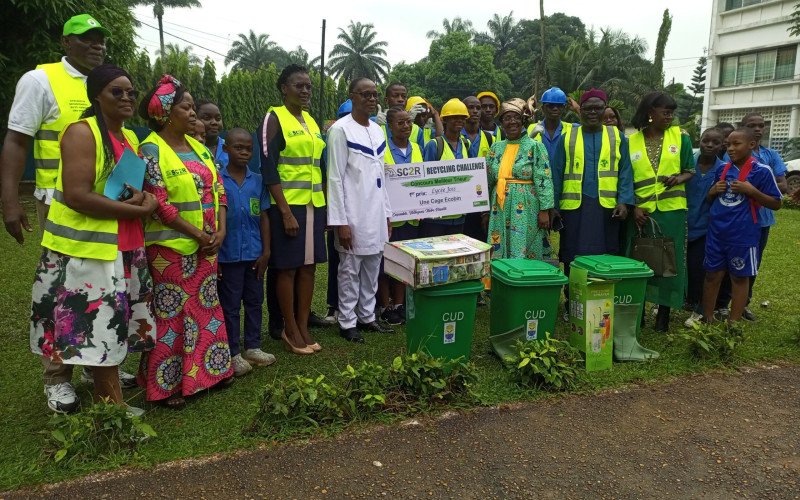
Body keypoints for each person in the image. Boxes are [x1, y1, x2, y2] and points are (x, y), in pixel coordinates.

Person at [31, 64, 157, 415]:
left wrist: (144, 200)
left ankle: (101, 381)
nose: (127, 97)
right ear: (97, 96)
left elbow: (128, 188)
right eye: (117, 91)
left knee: (111, 321)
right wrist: (135, 209)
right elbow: (77, 195)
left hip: (123, 243)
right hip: (85, 247)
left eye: (131, 92)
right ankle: (104, 402)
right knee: (90, 320)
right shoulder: (82, 132)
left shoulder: (129, 137)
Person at [138, 75, 233, 407]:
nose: (193, 113)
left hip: (207, 247)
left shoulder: (199, 147)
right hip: (170, 250)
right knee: (172, 315)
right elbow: (159, 203)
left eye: (193, 106)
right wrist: (199, 234)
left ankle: (210, 373)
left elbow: (218, 190)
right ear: (165, 113)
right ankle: (167, 386)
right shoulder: (151, 149)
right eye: (186, 107)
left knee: (206, 308)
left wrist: (220, 231)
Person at [1, 14, 110, 245]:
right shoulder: (40, 80)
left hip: (108, 198)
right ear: (66, 42)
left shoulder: (109, 85)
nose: (97, 46)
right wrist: (9, 202)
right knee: (63, 267)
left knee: (106, 265)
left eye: (101, 41)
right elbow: (16, 141)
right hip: (59, 200)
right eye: (87, 39)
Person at [257, 64, 326, 355]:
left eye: (308, 86)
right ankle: (289, 327)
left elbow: (318, 166)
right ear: (284, 88)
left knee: (308, 267)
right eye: (299, 85)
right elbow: (268, 166)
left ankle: (303, 325)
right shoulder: (274, 117)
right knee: (287, 268)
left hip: (314, 204)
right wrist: (284, 211)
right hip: (287, 206)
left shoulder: (311, 121)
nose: (305, 90)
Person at [327, 77, 393, 343]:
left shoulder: (378, 131)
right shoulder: (340, 130)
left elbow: (381, 176)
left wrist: (387, 213)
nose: (372, 99)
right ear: (352, 96)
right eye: (366, 94)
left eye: (375, 94)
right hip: (353, 214)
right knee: (350, 270)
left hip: (376, 212)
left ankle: (367, 316)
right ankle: (347, 321)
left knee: (373, 266)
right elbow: (334, 178)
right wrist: (340, 221)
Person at [626, 91, 695, 332]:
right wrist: (634, 206)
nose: (669, 117)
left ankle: (663, 316)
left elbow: (690, 170)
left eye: (671, 113)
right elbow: (626, 178)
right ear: (650, 113)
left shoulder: (681, 137)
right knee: (640, 261)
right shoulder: (631, 141)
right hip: (641, 212)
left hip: (671, 211)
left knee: (668, 262)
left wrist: (678, 178)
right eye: (665, 112)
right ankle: (638, 314)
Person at [702, 127, 781, 323]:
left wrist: (752, 191)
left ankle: (733, 323)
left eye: (736, 144)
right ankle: (707, 318)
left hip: (743, 234)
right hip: (717, 232)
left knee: (739, 277)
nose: (730, 148)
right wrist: (713, 191)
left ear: (751, 145)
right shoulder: (722, 169)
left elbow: (776, 203)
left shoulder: (761, 170)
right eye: (728, 144)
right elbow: (710, 199)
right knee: (712, 275)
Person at [552, 89, 633, 277]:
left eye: (598, 108)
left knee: (607, 253)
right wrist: (553, 206)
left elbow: (626, 171)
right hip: (574, 209)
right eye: (588, 109)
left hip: (608, 208)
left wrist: (624, 201)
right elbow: (556, 173)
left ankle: (603, 289)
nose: (592, 112)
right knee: (573, 253)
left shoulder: (617, 137)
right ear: (580, 111)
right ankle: (573, 290)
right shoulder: (567, 137)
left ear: (605, 109)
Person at [217, 128, 275, 376]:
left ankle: (253, 346)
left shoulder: (258, 181)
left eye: (248, 149)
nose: (244, 153)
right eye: (238, 148)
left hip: (254, 254)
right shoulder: (217, 180)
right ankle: (232, 352)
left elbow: (264, 216)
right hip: (228, 255)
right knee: (230, 305)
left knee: (254, 301)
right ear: (226, 149)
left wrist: (266, 251)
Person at [484, 99, 554, 259]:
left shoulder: (535, 146)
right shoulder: (496, 148)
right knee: (499, 244)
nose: (512, 122)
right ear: (501, 122)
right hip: (498, 207)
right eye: (507, 118)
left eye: (516, 117)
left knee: (522, 245)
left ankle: (522, 273)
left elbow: (544, 179)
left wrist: (545, 210)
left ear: (522, 120)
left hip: (526, 206)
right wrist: (484, 210)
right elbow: (487, 179)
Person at [736, 112, 788, 320]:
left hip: (762, 219)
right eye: (752, 125)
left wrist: (753, 188)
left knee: (753, 262)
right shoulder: (734, 152)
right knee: (730, 260)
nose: (758, 129)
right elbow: (732, 182)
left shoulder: (771, 155)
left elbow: (783, 186)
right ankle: (724, 303)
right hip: (737, 218)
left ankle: (743, 304)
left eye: (761, 125)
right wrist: (766, 184)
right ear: (742, 127)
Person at [378, 107, 423, 325]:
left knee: (404, 263)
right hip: (389, 219)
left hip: (412, 218)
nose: (406, 126)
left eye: (408, 122)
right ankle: (384, 306)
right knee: (386, 263)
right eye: (400, 123)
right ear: (390, 126)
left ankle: (399, 304)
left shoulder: (417, 148)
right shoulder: (382, 149)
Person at [685, 128, 731, 328]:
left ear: (722, 146)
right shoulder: (686, 163)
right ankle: (672, 302)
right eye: (706, 141)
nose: (710, 145)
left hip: (706, 229)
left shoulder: (725, 169)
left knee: (700, 270)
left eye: (715, 142)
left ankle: (700, 309)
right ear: (700, 141)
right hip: (682, 224)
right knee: (677, 268)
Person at [420, 98, 472, 237]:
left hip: (459, 216)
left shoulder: (466, 144)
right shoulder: (434, 145)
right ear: (445, 120)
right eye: (454, 117)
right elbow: (426, 181)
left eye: (462, 118)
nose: (459, 121)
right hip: (436, 218)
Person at [461, 95, 494, 243]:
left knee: (482, 242)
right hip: (461, 200)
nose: (475, 111)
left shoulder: (490, 139)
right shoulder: (455, 137)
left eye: (478, 108)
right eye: (471, 108)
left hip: (483, 201)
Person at [528, 87, 576, 162]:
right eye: (550, 105)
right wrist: (530, 136)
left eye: (559, 105)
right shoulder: (531, 128)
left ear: (563, 108)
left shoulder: (572, 129)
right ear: (543, 108)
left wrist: (577, 109)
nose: (555, 108)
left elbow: (592, 128)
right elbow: (522, 153)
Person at [197, 101, 226, 166]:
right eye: (207, 118)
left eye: (218, 119)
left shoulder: (230, 148)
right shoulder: (187, 149)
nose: (214, 122)